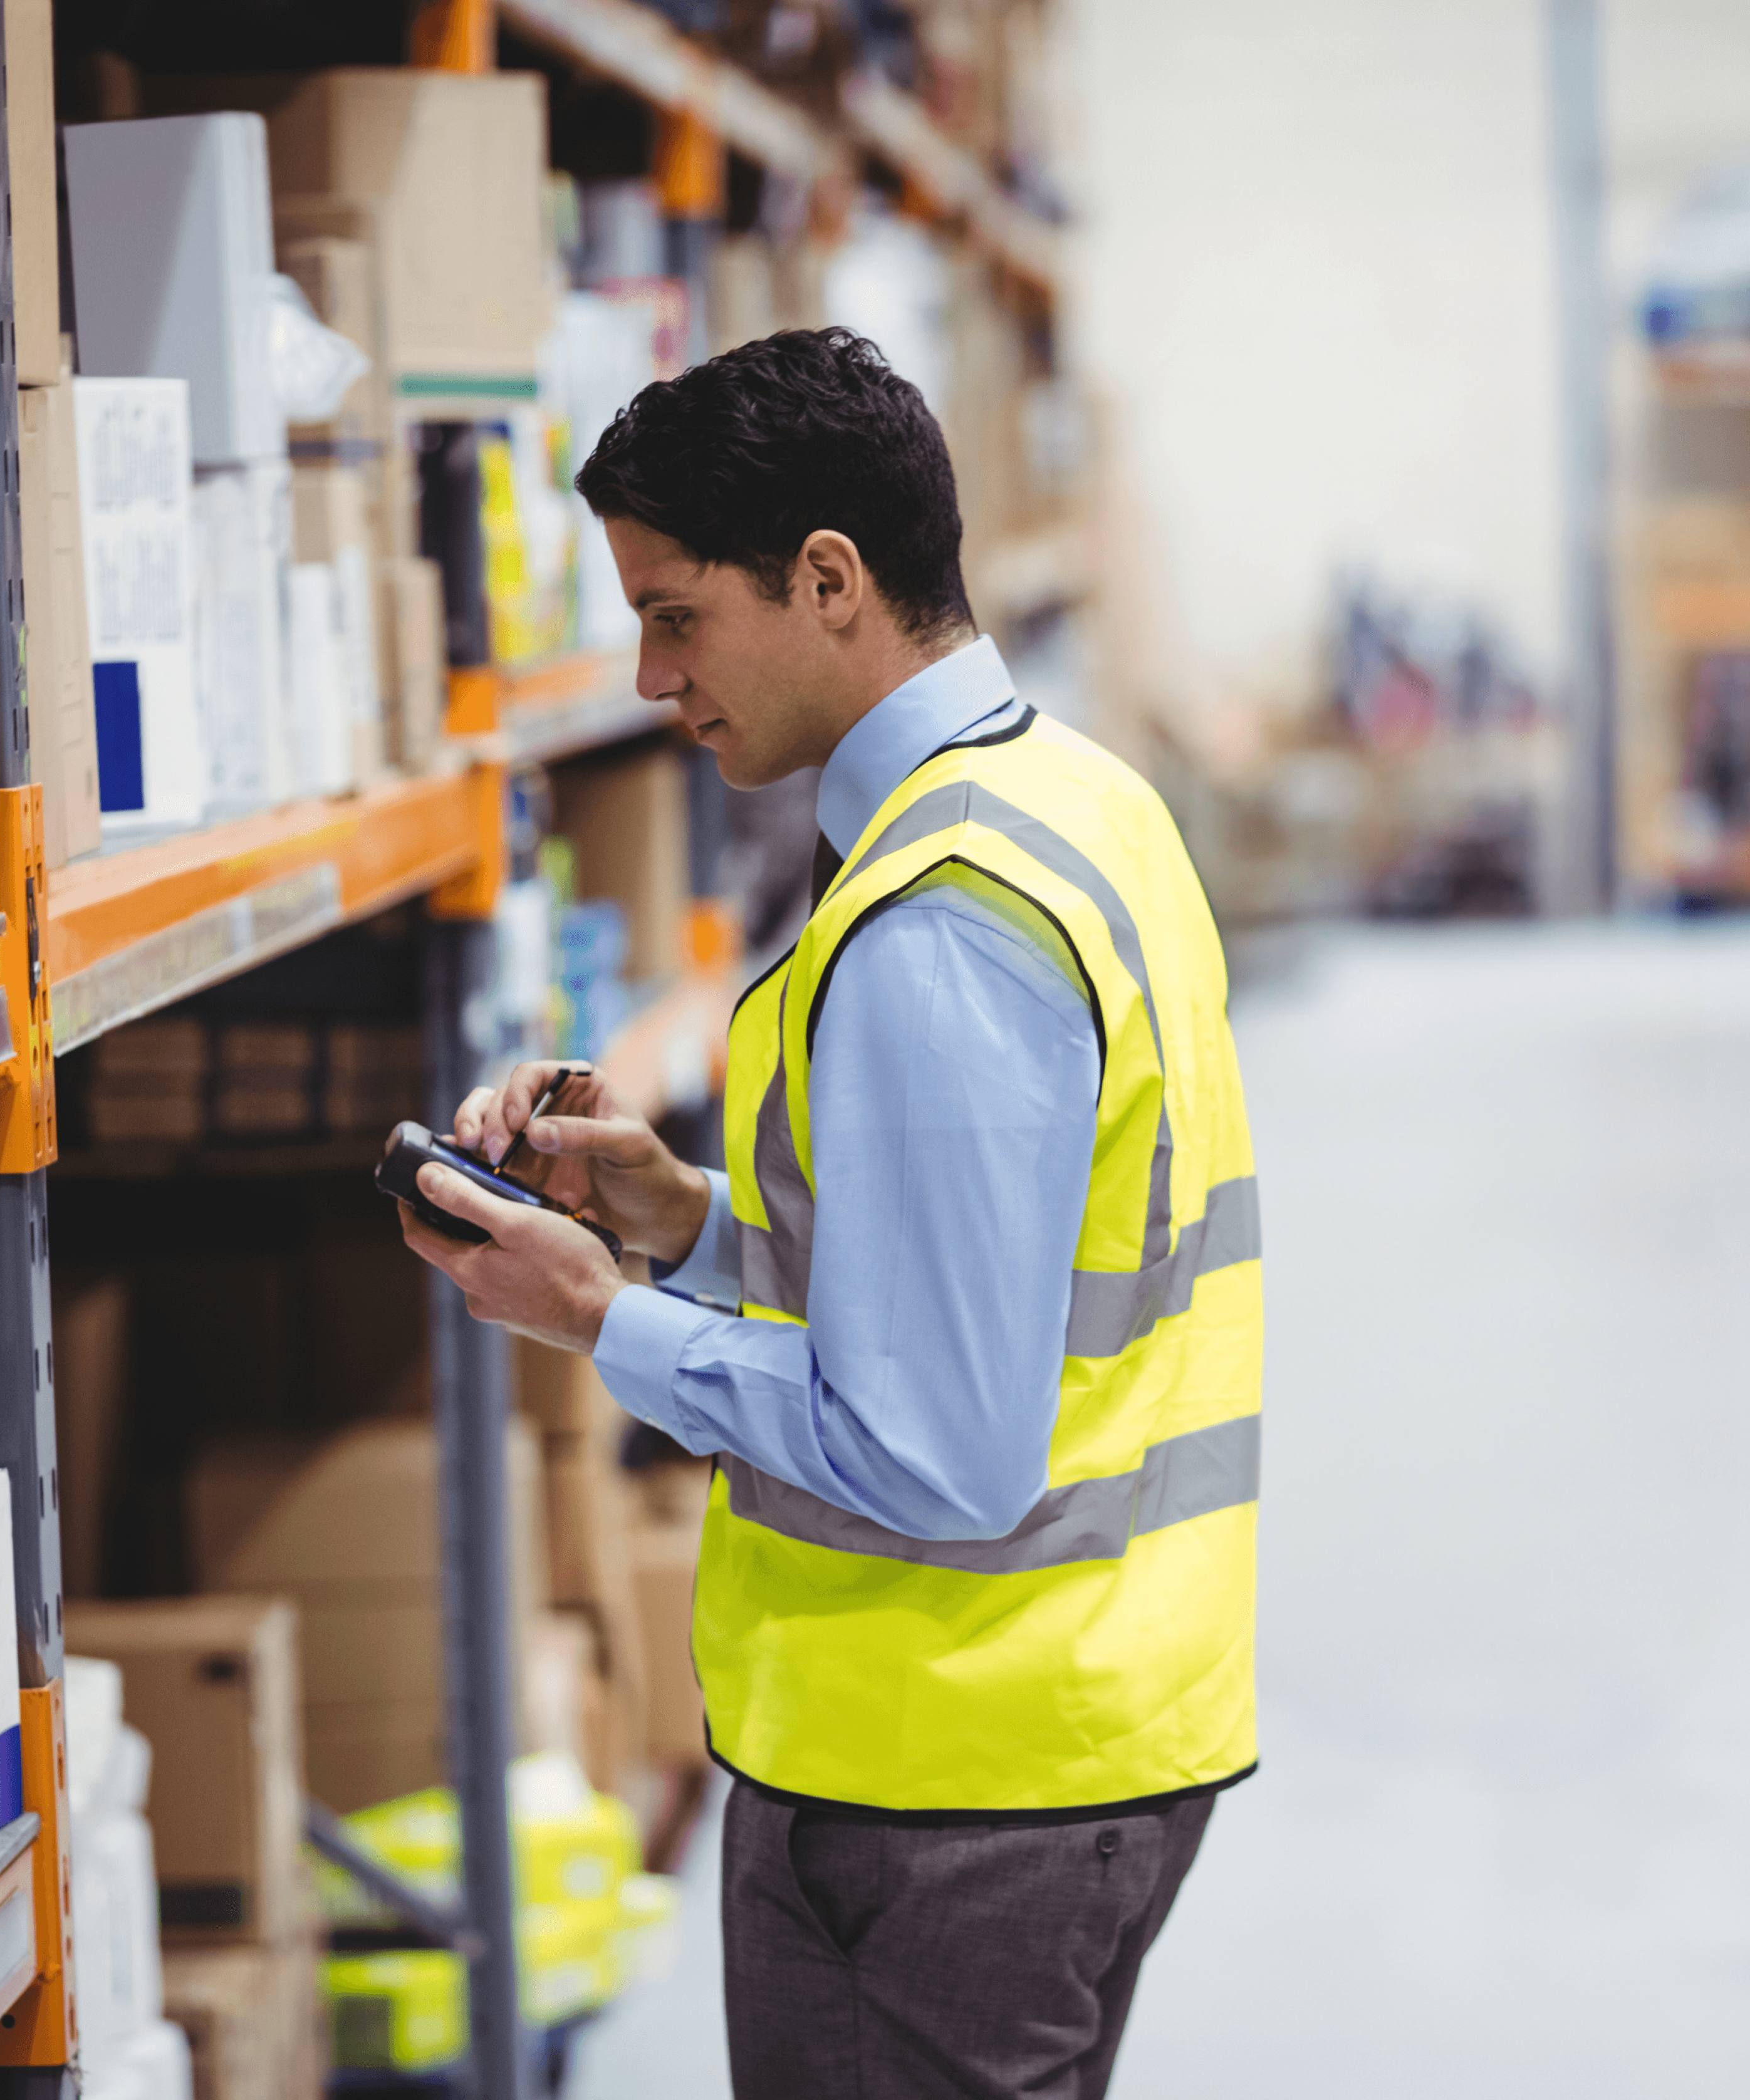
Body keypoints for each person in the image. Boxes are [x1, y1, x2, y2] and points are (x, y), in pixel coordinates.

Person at [397, 328, 1261, 2100]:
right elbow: (989, 1266)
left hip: (953, 1787)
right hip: (1060, 1730)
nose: (649, 676)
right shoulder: (1073, 800)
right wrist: (679, 1217)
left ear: (829, 581)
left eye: (676, 615)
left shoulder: (942, 919)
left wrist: (594, 1317)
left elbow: (938, 1445)